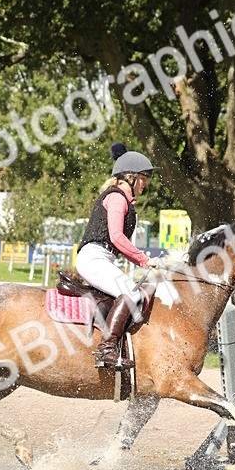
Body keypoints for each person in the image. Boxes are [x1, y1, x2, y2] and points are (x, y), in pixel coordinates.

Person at [76, 143, 162, 367]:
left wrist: (144, 263)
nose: (145, 184)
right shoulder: (116, 198)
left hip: (101, 258)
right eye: (143, 179)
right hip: (93, 258)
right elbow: (116, 237)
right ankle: (106, 349)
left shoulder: (123, 199)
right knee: (131, 293)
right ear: (130, 177)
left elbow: (120, 243)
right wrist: (144, 259)